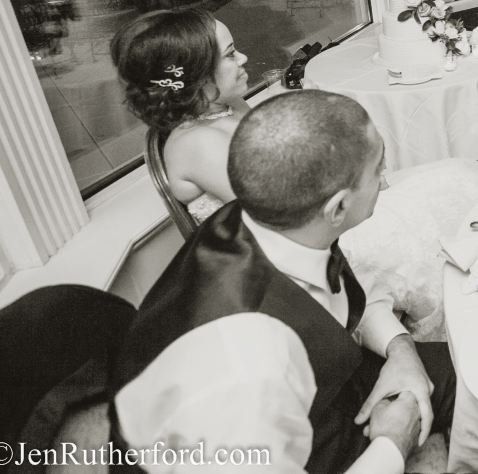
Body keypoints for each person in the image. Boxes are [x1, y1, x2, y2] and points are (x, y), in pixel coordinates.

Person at [111, 90, 455, 474]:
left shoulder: (271, 219)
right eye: (378, 169)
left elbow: (343, 294)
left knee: (470, 369)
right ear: (338, 207)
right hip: (283, 448)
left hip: (329, 388)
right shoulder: (247, 364)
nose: (385, 177)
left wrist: (401, 350)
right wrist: (393, 442)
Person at [111, 8, 250, 222]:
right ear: (197, 74)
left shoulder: (232, 106)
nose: (243, 58)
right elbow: (276, 215)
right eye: (230, 54)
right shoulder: (198, 144)